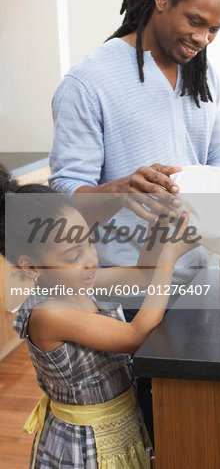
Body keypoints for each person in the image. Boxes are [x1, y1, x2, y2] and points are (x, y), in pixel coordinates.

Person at [48, 0, 220, 442]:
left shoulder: (204, 75)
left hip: (200, 280)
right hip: (130, 292)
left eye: (215, 29)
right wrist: (121, 188)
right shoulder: (88, 83)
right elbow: (63, 196)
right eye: (195, 21)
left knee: (204, 428)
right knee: (154, 432)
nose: (202, 39)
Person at [1, 163, 195, 468]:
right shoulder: (49, 312)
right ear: (31, 267)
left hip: (124, 428)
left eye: (89, 242)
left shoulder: (78, 282)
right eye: (73, 255)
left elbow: (143, 276)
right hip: (85, 449)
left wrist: (159, 225)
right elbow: (136, 336)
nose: (91, 260)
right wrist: (170, 256)